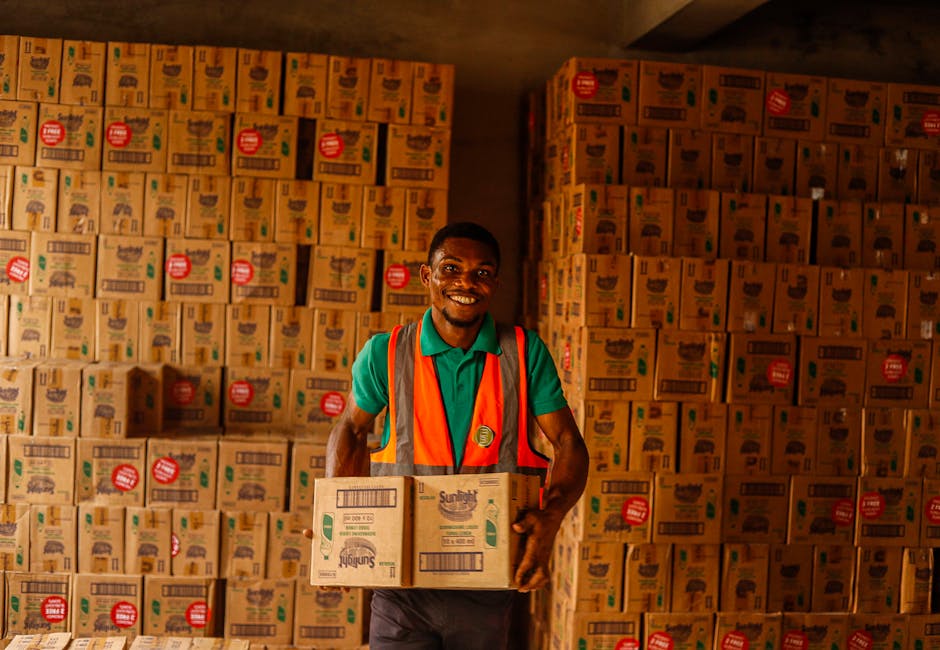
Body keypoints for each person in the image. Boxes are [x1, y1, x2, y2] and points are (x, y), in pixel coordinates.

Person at [307, 221, 589, 650]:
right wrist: (337, 525)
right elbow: (350, 428)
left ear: (495, 282)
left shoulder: (523, 352)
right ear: (427, 276)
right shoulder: (386, 353)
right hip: (401, 586)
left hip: (487, 585)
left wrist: (550, 522)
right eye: (451, 269)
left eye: (481, 273)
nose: (466, 283)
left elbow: (569, 443)